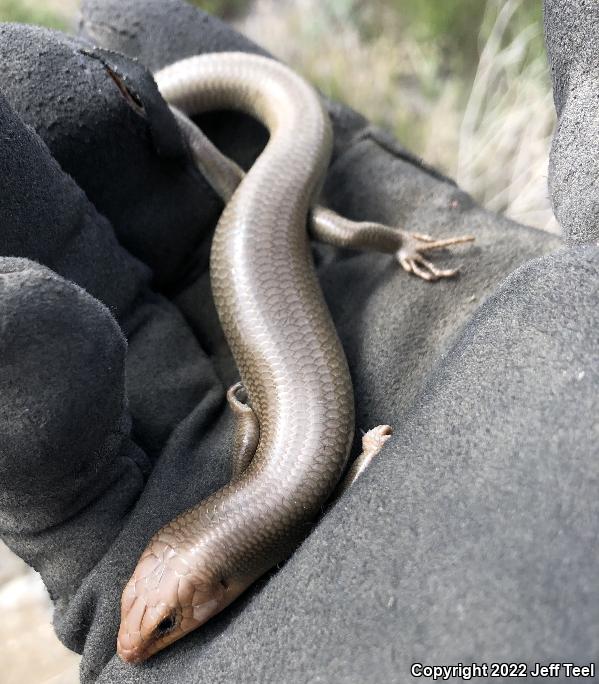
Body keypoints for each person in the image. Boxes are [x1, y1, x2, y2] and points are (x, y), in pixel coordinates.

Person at [0, 1, 597, 681]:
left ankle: (208, 148)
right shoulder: (252, 507)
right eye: (160, 620)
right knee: (291, 211)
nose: (138, 645)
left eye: (164, 623)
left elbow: (295, 480)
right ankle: (191, 141)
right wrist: (256, 417)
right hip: (253, 234)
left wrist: (393, 242)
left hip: (262, 228)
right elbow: (261, 464)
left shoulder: (258, 520)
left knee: (324, 224)